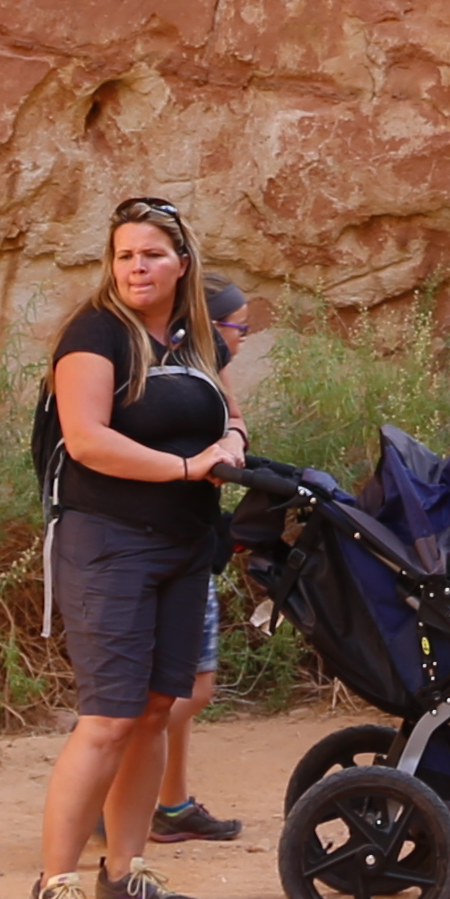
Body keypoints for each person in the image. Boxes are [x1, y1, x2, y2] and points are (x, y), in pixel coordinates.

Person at [27, 195, 242, 899]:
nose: (137, 267)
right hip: (110, 542)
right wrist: (189, 469)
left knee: (156, 709)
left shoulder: (188, 342)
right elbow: (87, 440)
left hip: (184, 548)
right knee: (110, 715)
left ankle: (124, 872)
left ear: (182, 264)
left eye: (151, 254)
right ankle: (52, 887)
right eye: (125, 255)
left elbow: (228, 414)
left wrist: (234, 444)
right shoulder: (96, 335)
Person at [137, 222, 261, 849]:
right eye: (239, 325)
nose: (246, 336)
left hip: (195, 544)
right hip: (168, 546)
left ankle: (171, 802)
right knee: (188, 689)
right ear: (212, 326)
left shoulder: (205, 371)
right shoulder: (183, 371)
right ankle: (123, 783)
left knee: (180, 690)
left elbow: (234, 428)